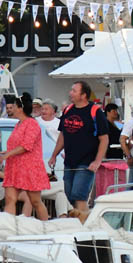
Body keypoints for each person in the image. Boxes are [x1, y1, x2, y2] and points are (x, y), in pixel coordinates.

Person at [48, 81, 110, 215]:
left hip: (87, 162)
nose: (71, 93)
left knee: (79, 196)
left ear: (83, 95)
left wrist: (98, 161)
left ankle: (83, 225)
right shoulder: (68, 110)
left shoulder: (95, 112)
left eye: (74, 91)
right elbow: (62, 135)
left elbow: (104, 138)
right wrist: (54, 155)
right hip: (69, 161)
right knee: (69, 196)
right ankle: (77, 222)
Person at [0, 93, 50, 220]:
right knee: (10, 199)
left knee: (35, 201)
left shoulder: (32, 124)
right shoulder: (18, 124)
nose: (11, 109)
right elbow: (17, 145)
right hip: (15, 167)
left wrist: (8, 154)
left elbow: (26, 146)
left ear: (20, 108)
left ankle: (46, 226)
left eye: (14, 106)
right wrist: (7, 152)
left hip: (29, 168)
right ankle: (7, 227)